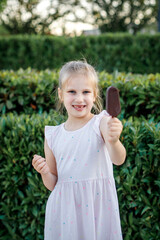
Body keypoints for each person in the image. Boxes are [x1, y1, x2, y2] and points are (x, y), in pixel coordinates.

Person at [32, 60, 126, 240]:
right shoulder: (53, 135)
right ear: (61, 94)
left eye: (86, 92)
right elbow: (53, 183)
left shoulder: (101, 123)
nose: (79, 98)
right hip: (65, 212)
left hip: (97, 208)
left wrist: (114, 141)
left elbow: (118, 159)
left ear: (95, 94)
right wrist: (44, 172)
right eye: (72, 92)